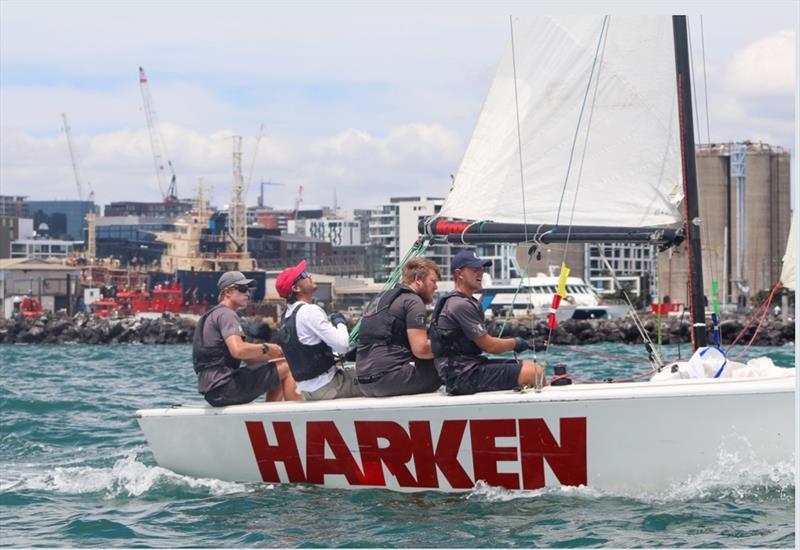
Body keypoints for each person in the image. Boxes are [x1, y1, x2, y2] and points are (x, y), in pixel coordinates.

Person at [429, 249, 546, 395]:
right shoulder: (460, 304)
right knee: (534, 372)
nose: (480, 273)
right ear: (459, 274)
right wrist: (518, 343)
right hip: (462, 376)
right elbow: (489, 345)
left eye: (482, 269)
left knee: (530, 367)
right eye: (474, 269)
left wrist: (524, 344)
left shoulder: (464, 302)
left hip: (466, 369)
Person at [192, 271, 301, 407]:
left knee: (278, 365)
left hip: (214, 391)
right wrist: (266, 347)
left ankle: (271, 411)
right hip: (225, 388)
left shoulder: (212, 314)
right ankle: (296, 411)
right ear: (228, 292)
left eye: (248, 290)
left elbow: (250, 360)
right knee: (288, 367)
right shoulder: (227, 314)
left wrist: (277, 353)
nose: (248, 294)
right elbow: (238, 350)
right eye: (242, 289)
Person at [276, 260, 363, 400]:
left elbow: (307, 350)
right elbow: (342, 345)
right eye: (304, 274)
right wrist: (341, 323)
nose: (309, 275)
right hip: (330, 386)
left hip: (309, 391)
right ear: (296, 288)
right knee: (379, 376)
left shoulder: (286, 316)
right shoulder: (310, 311)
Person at [356, 258, 443, 397]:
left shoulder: (380, 299)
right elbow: (421, 349)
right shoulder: (413, 301)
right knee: (447, 365)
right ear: (418, 279)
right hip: (387, 381)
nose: (436, 287)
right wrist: (453, 345)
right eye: (433, 281)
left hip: (364, 383)